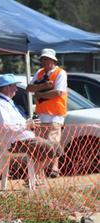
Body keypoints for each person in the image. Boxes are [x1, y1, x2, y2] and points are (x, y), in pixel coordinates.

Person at [0, 74, 61, 181]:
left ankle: (32, 177)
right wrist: (26, 125)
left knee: (57, 149)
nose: (16, 89)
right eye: (14, 86)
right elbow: (6, 127)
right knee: (49, 148)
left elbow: (17, 124)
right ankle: (30, 178)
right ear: (6, 87)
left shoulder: (8, 103)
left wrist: (30, 124)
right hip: (13, 143)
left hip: (23, 140)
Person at [26, 48, 67, 178]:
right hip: (42, 115)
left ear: (53, 60)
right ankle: (48, 171)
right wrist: (43, 87)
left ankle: (38, 173)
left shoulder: (61, 73)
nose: (45, 61)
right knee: (43, 146)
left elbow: (58, 92)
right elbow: (29, 88)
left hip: (55, 114)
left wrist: (39, 94)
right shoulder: (39, 72)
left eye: (48, 59)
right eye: (43, 59)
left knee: (50, 144)